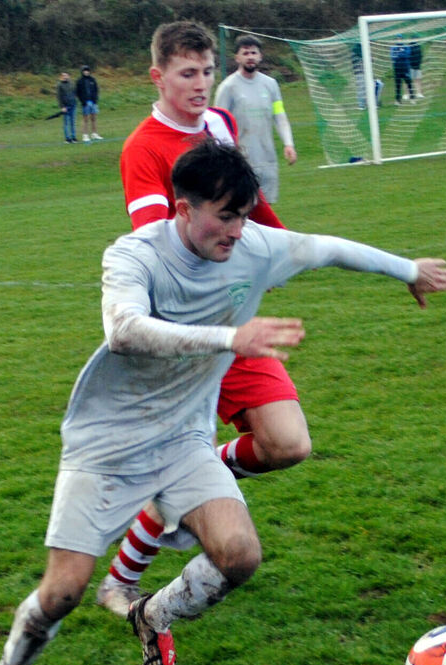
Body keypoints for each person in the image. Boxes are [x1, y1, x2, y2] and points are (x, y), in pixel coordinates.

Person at [0, 137, 446, 665]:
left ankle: (153, 616)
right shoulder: (133, 255)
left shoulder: (252, 246)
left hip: (183, 441)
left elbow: (325, 248)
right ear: (183, 208)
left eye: (244, 215)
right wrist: (228, 338)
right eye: (225, 216)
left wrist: (408, 270)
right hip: (107, 444)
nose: (238, 231)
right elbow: (124, 330)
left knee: (240, 555)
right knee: (64, 590)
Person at [97, 20, 303, 618]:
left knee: (288, 445)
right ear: (158, 77)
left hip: (234, 318)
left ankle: (201, 469)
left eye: (207, 71)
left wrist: (285, 250)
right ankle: (120, 584)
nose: (201, 84)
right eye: (188, 73)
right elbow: (152, 243)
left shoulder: (221, 125)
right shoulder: (142, 149)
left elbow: (249, 202)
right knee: (185, 484)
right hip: (180, 338)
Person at [214, 34, 296, 203]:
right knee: (244, 210)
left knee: (267, 211)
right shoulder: (228, 87)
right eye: (245, 53)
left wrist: (288, 144)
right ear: (237, 57)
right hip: (241, 163)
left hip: (267, 160)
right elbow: (217, 126)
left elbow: (279, 116)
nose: (250, 57)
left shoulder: (271, 84)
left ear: (260, 56)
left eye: (253, 52)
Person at [76, 65, 102, 142]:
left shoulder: (92, 80)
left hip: (93, 102)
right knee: (85, 119)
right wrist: (83, 101)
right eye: (85, 71)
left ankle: (94, 133)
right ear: (82, 72)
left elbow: (96, 90)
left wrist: (95, 99)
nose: (86, 72)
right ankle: (85, 135)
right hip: (85, 103)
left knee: (93, 118)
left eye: (87, 70)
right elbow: (78, 93)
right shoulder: (80, 81)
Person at [390, 35, 414, 105]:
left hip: (405, 67)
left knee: (409, 83)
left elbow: (407, 55)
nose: (398, 40)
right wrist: (401, 54)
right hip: (397, 68)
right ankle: (398, 100)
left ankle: (412, 98)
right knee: (398, 85)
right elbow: (392, 57)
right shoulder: (393, 48)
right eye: (397, 39)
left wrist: (399, 55)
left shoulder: (406, 47)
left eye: (400, 39)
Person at [56, 71, 77, 143]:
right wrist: (62, 106)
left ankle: (73, 137)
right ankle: (67, 138)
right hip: (65, 106)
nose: (65, 77)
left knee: (73, 122)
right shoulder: (59, 85)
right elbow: (59, 97)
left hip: (73, 105)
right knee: (66, 123)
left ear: (68, 76)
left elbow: (75, 93)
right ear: (61, 77)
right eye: (63, 76)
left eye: (66, 75)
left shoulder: (72, 84)